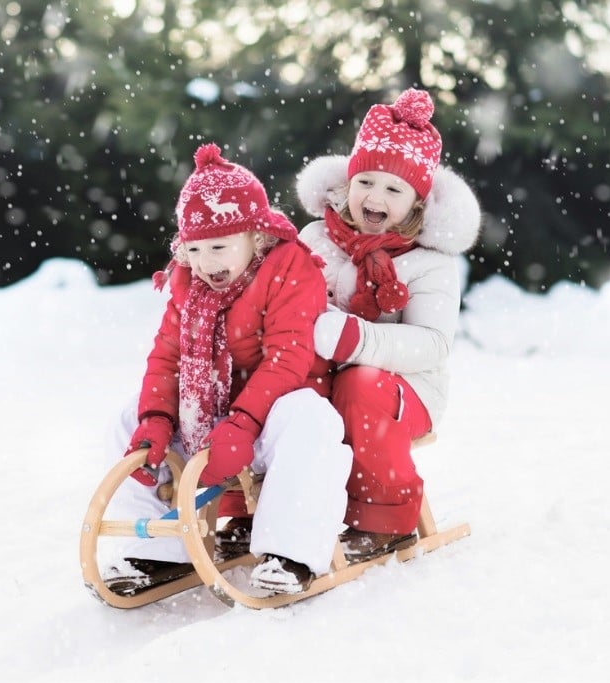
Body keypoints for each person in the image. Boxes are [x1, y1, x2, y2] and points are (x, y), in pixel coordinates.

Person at [101, 142, 353, 596]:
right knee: (128, 419)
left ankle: (288, 553)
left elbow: (288, 358)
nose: (206, 263)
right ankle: (158, 551)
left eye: (219, 247)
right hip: (212, 419)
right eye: (195, 250)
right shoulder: (188, 284)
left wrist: (244, 421)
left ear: (256, 236)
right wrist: (155, 420)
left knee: (312, 419)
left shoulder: (291, 268)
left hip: (271, 412)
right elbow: (167, 358)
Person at [293, 88, 481, 562]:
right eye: (366, 183)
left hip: (405, 392)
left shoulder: (429, 263)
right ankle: (264, 509)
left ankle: (382, 517)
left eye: (394, 190)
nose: (375, 198)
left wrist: (355, 339)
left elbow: (433, 344)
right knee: (274, 384)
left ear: (417, 202)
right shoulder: (317, 237)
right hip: (322, 377)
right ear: (347, 182)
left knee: (361, 383)